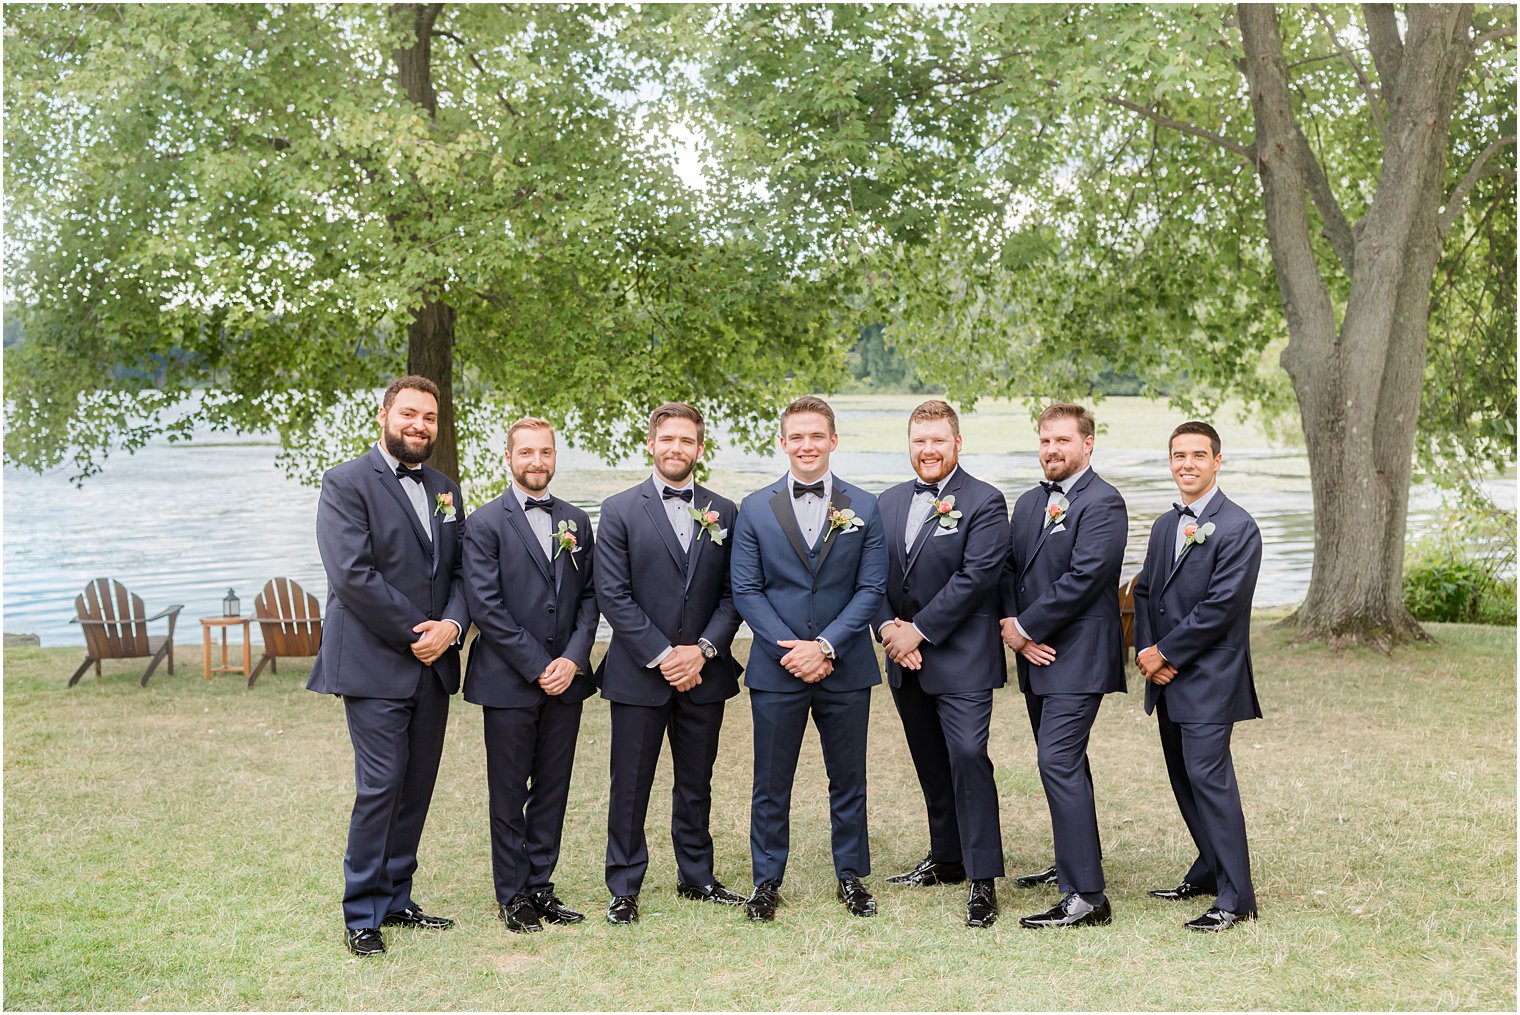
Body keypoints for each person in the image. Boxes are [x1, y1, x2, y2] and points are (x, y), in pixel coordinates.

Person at [308, 374, 470, 958]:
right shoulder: (346, 482)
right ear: (383, 415)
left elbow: (461, 573)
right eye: (408, 414)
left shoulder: (447, 489)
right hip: (375, 663)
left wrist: (451, 628)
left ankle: (397, 898)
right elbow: (353, 575)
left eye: (428, 417)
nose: (419, 425)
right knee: (380, 786)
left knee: (416, 787)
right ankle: (362, 913)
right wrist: (415, 634)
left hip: (434, 665)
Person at [729, 395, 888, 922]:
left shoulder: (865, 507)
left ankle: (852, 877)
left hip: (845, 666)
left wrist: (825, 646)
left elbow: (871, 589)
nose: (806, 445)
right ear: (783, 443)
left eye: (816, 435)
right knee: (771, 782)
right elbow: (747, 591)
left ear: (833, 441)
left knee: (848, 778)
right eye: (796, 436)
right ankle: (766, 881)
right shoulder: (754, 507)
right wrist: (792, 650)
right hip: (777, 669)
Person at [593, 402, 746, 925]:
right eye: (668, 440)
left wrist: (701, 650)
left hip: (704, 672)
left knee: (696, 780)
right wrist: (663, 655)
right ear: (652, 444)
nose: (676, 449)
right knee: (630, 782)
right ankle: (624, 885)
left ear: (700, 449)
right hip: (638, 673)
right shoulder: (618, 510)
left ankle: (697, 876)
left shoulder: (725, 511)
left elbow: (735, 593)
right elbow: (612, 595)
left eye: (687, 441)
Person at [462, 417, 599, 933]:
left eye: (545, 452)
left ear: (555, 456)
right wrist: (540, 666)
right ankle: (512, 894)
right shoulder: (483, 523)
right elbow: (486, 606)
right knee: (508, 790)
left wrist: (573, 659)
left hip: (568, 678)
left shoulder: (577, 522)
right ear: (508, 458)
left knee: (553, 787)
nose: (536, 461)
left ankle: (541, 886)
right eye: (526, 453)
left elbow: (590, 598)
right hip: (508, 679)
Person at [875, 400, 1009, 928]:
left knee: (969, 757)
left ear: (958, 444)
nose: (927, 450)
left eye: (937, 441)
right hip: (902, 660)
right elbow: (871, 579)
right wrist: (888, 629)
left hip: (962, 657)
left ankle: (982, 879)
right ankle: (946, 858)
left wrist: (918, 630)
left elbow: (976, 577)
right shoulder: (884, 503)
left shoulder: (985, 501)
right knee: (929, 761)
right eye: (919, 441)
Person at [999, 402, 1127, 929]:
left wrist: (1025, 628)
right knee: (1066, 764)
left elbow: (1087, 577)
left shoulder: (1105, 503)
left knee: (1056, 760)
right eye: (1045, 441)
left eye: (1063, 441)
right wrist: (1012, 625)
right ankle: (1072, 864)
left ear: (1087, 445)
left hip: (1079, 656)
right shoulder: (1030, 502)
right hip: (1037, 658)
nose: (1052, 450)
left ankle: (1088, 898)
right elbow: (1007, 570)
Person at [1132, 421, 1262, 932]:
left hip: (1210, 677)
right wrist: (1145, 649)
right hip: (1165, 677)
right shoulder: (1167, 525)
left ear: (1217, 461)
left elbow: (1221, 608)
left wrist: (1166, 651)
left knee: (1210, 780)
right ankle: (1209, 867)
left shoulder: (1238, 527)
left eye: (1197, 455)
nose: (1187, 463)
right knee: (1183, 777)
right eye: (1178, 455)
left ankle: (1237, 899)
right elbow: (1144, 592)